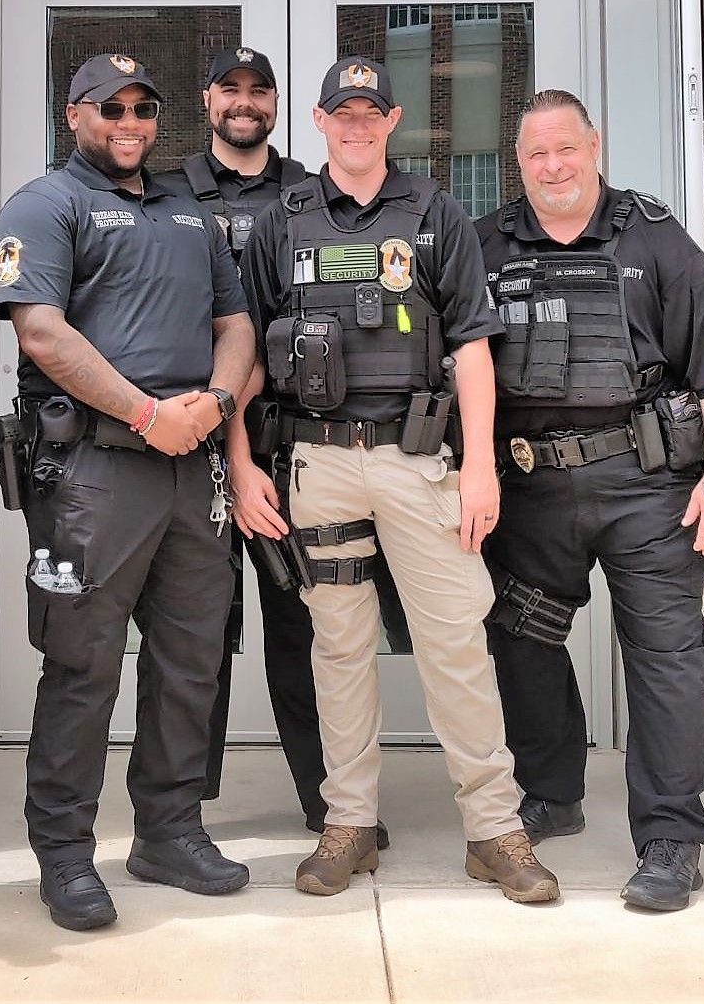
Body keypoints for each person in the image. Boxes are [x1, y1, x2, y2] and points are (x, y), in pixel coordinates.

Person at [233, 56, 559, 903]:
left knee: (456, 642)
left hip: (419, 464)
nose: (356, 125)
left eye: (370, 112)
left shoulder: (433, 212)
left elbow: (473, 346)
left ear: (392, 120)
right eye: (342, 112)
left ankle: (494, 829)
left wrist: (480, 464)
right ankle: (349, 823)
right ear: (318, 120)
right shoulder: (281, 223)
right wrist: (239, 460)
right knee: (339, 647)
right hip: (317, 467)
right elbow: (243, 354)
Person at [0, 53, 256, 933]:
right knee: (82, 664)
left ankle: (169, 831)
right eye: (112, 108)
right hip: (94, 474)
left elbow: (236, 324)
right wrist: (147, 413)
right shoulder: (45, 205)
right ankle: (65, 852)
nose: (130, 122)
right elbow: (41, 332)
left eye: (144, 108)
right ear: (75, 114)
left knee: (190, 659)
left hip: (191, 467)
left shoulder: (188, 210)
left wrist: (216, 403)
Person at [475, 89, 704, 912]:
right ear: (517, 162)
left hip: (649, 487)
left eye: (566, 148)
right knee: (522, 638)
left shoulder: (655, 236)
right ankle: (551, 791)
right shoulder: (486, 244)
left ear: (594, 146)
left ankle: (670, 837)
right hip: (529, 486)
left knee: (667, 654)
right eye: (536, 153)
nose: (553, 165)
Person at [158, 46, 405, 842]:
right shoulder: (165, 194)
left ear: (276, 104)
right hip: (182, 437)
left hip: (282, 438)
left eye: (258, 89)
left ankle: (330, 802)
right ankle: (180, 815)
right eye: (229, 88)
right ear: (207, 99)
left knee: (302, 625)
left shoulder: (308, 194)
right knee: (193, 630)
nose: (243, 101)